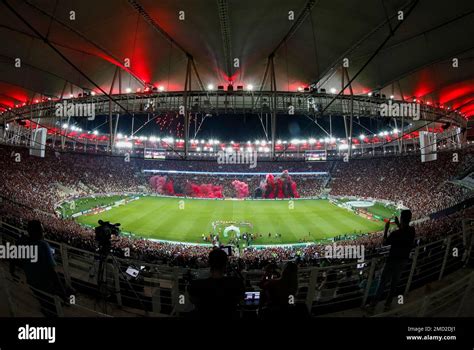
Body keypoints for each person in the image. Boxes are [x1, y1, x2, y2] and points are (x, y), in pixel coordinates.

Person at [370, 210, 416, 311]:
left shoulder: (396, 233)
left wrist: (386, 229)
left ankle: (373, 305)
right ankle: (388, 304)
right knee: (394, 284)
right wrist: (399, 224)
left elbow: (384, 243)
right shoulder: (412, 230)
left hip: (392, 260)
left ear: (401, 218)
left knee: (383, 282)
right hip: (403, 260)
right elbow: (404, 232)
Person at [188, 248, 244, 319]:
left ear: (209, 263)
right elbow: (241, 300)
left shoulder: (198, 285)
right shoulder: (236, 283)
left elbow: (192, 300)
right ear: (226, 264)